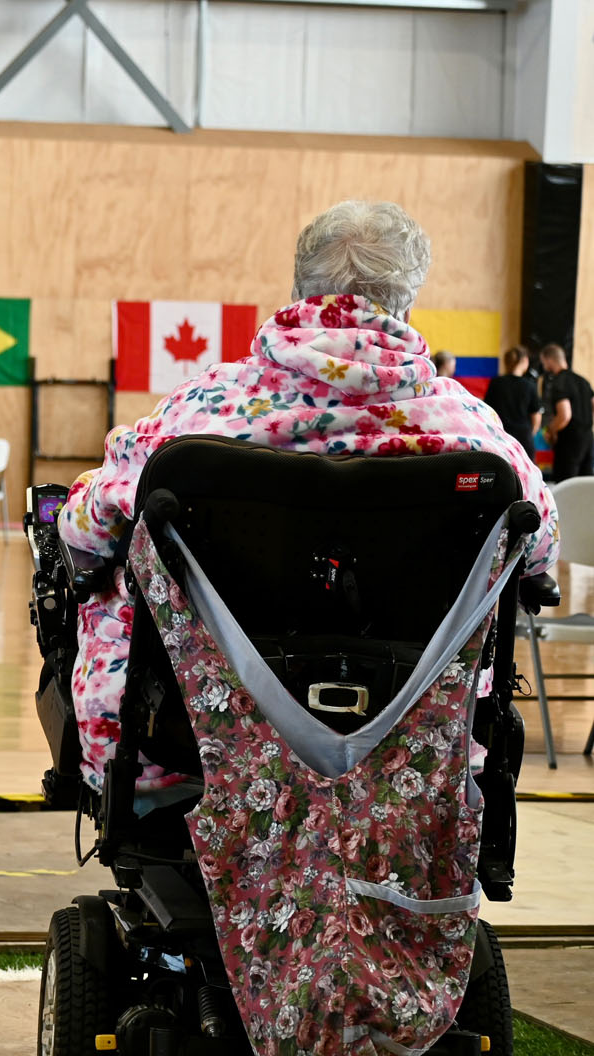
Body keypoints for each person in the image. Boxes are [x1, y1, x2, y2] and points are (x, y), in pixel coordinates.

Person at [56, 200, 559, 804]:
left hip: (195, 724)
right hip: (414, 732)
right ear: (408, 299)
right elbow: (538, 549)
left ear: (299, 288)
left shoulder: (201, 411)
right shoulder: (476, 431)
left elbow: (88, 529)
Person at [540, 343, 593, 482]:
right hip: (588, 438)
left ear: (549, 360)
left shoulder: (559, 382)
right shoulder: (583, 381)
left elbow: (565, 415)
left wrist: (550, 430)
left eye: (544, 363)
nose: (544, 367)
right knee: (586, 487)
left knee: (565, 486)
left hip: (569, 442)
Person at [484, 347, 542, 458]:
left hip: (500, 437)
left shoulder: (496, 383)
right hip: (523, 439)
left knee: (503, 471)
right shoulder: (529, 385)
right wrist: (531, 433)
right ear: (525, 361)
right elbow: (536, 417)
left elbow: (487, 411)